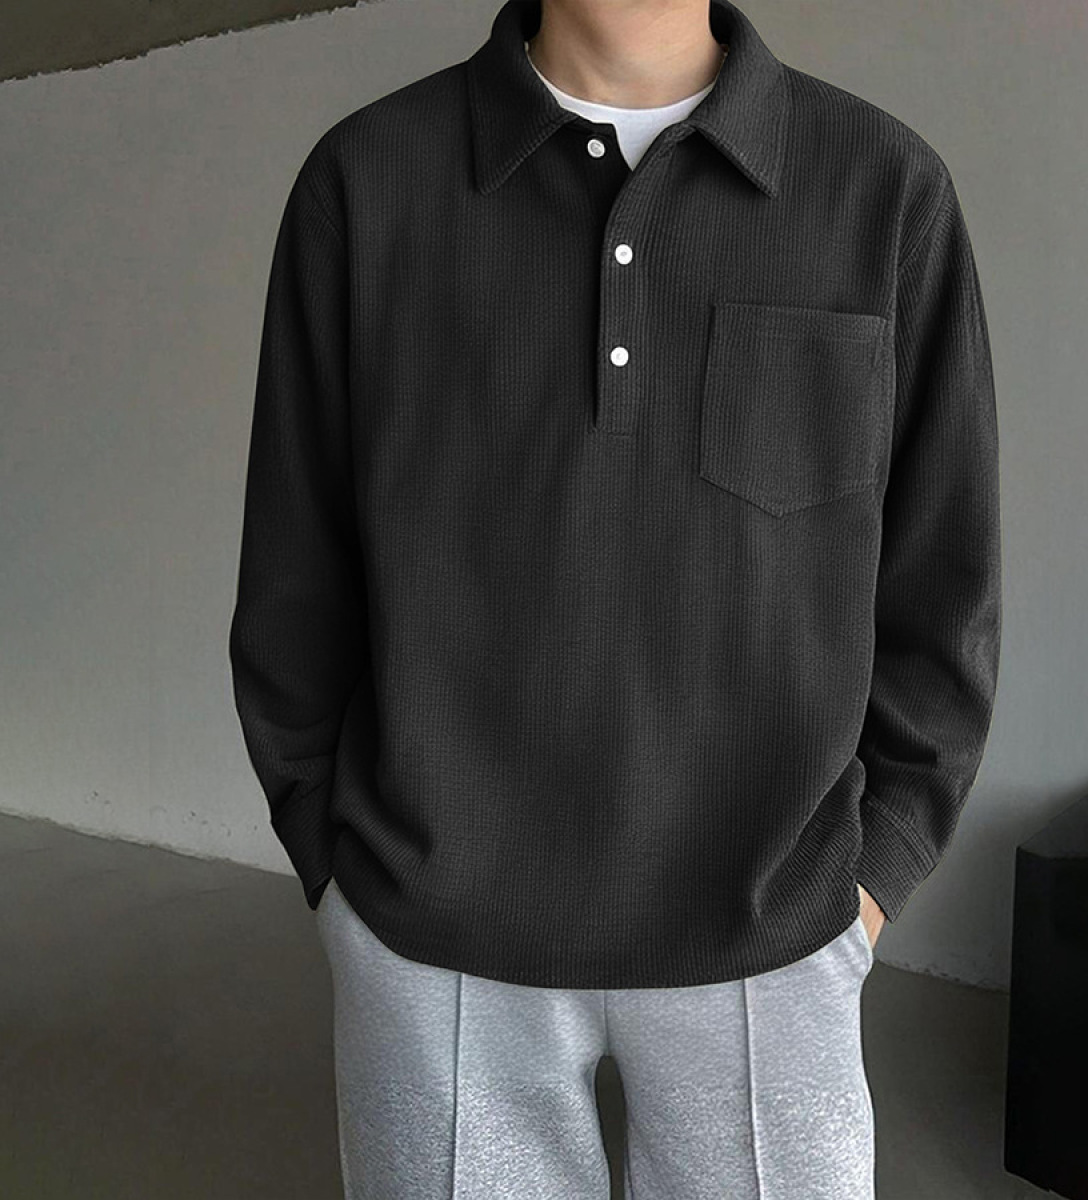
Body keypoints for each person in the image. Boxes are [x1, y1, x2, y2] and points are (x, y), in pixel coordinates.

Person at [228, 0, 1001, 1195]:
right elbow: (295, 566)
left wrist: (876, 871)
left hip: (776, 922)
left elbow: (944, 579)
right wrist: (335, 865)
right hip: (432, 930)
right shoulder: (369, 182)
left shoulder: (882, 188)